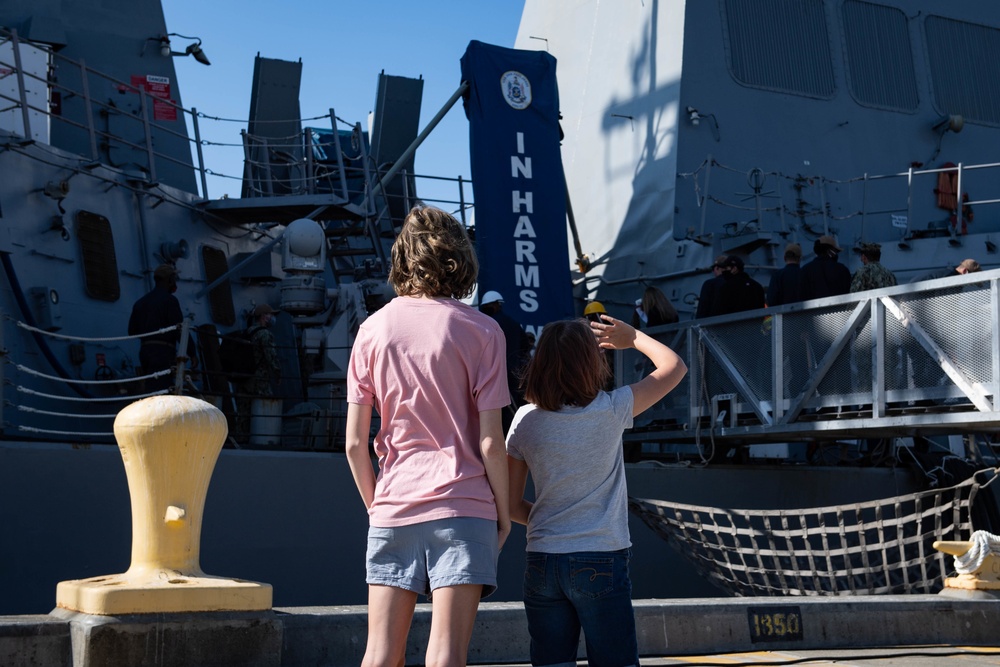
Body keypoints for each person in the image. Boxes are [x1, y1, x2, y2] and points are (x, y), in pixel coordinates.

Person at [345, 205, 510, 667]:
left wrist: (378, 507)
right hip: (463, 507)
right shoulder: (483, 330)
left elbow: (356, 444)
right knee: (446, 655)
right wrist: (502, 515)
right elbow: (492, 442)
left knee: (379, 654)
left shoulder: (371, 330)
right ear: (461, 259)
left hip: (393, 505)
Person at [506, 316, 687, 667]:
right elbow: (674, 366)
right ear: (591, 364)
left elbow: (511, 505)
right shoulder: (612, 408)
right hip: (600, 557)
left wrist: (553, 519)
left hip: (542, 557)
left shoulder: (525, 421)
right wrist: (633, 337)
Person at [127, 263, 196, 392]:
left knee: (152, 387)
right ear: (170, 280)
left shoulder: (140, 303)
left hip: (145, 352)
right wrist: (192, 353)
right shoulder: (170, 301)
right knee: (162, 390)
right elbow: (180, 330)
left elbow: (132, 331)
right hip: (163, 353)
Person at [479, 290, 528, 434]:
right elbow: (525, 345)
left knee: (494, 413)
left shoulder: (484, 324)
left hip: (491, 377)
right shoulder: (513, 324)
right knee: (513, 413)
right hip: (513, 374)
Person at [234, 303, 281, 441]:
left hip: (244, 377)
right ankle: (264, 439)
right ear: (263, 317)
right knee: (266, 408)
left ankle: (240, 440)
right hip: (260, 380)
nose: (272, 317)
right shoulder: (265, 334)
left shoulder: (247, 332)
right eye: (270, 314)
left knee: (243, 412)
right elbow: (270, 356)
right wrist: (277, 373)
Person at [800, 235, 851, 300]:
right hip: (838, 309)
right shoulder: (842, 270)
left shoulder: (804, 270)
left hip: (813, 310)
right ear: (830, 251)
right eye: (835, 251)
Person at [766, 243, 804, 307]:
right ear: (799, 258)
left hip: (784, 315)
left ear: (784, 258)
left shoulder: (777, 275)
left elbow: (771, 300)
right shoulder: (805, 273)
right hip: (805, 314)